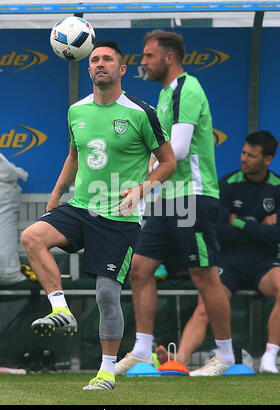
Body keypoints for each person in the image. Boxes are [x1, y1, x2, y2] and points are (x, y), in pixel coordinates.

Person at [21, 40, 176, 390]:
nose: (100, 64)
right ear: (87, 68)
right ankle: (60, 308)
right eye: (94, 60)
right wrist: (58, 192)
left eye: (108, 59)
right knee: (31, 237)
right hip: (80, 207)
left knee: (106, 295)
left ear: (122, 70)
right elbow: (75, 154)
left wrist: (141, 190)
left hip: (119, 218)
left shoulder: (140, 112)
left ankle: (106, 371)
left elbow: (168, 162)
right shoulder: (76, 110)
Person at [115, 30, 235, 376]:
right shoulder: (165, 95)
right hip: (166, 199)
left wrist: (141, 187)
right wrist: (145, 185)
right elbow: (164, 156)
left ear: (170, 57)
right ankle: (141, 349)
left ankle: (225, 355)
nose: (143, 62)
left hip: (193, 197)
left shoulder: (187, 88)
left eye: (149, 56)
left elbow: (178, 152)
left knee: (204, 275)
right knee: (139, 269)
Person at [155, 130, 280, 375]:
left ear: (267, 160)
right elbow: (219, 231)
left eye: (251, 155)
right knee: (206, 303)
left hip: (264, 262)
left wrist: (237, 221)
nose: (244, 159)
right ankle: (180, 360)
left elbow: (277, 235)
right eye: (243, 153)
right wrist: (258, 226)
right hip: (227, 260)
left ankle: (269, 359)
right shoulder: (227, 184)